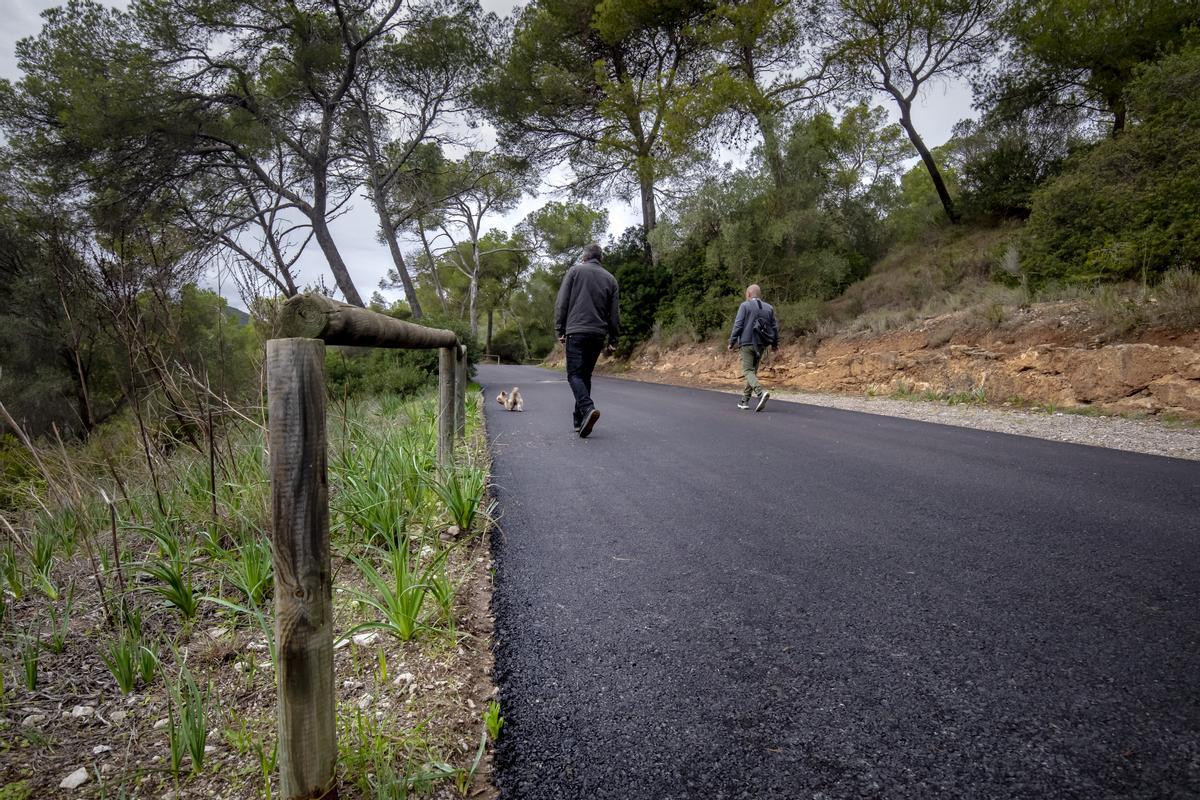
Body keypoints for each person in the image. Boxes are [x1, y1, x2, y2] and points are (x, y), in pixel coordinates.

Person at [555, 243, 620, 437]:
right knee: (585, 376)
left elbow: (562, 302)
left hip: (576, 331)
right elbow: (614, 313)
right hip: (598, 334)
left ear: (584, 257)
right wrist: (614, 338)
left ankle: (587, 407)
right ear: (601, 259)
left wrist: (560, 328)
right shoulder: (611, 279)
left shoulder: (575, 271)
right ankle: (579, 420)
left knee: (574, 375)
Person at [727, 284, 779, 411]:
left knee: (747, 370)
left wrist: (731, 342)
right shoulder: (769, 308)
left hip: (747, 343)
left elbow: (738, 325)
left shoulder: (745, 306)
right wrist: (775, 344)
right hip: (761, 345)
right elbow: (774, 327)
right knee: (752, 373)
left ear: (749, 294)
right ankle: (744, 401)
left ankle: (760, 393)